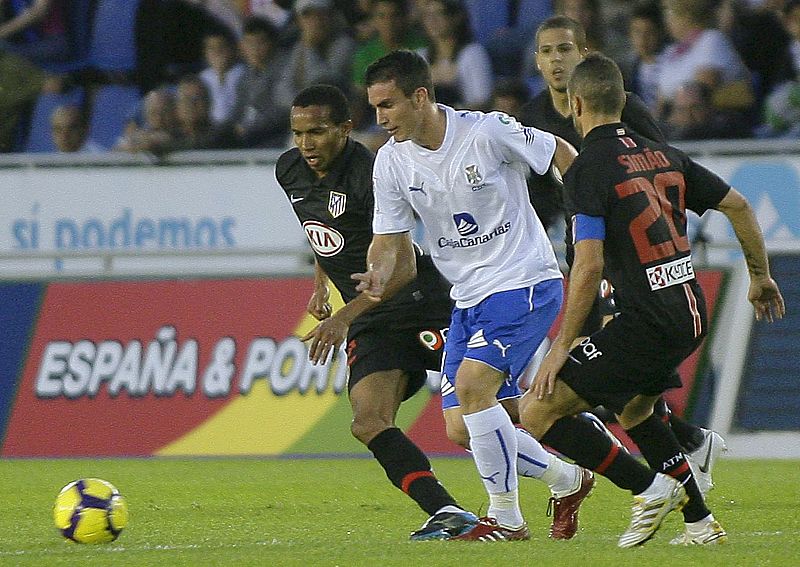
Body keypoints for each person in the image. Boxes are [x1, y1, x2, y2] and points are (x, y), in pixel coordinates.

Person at [278, 83, 591, 542]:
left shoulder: (382, 163)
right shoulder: (302, 169)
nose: (305, 144)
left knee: (489, 400)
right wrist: (322, 284)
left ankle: (569, 454)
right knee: (397, 422)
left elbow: (399, 261)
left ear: (345, 130)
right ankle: (470, 505)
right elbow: (327, 233)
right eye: (297, 133)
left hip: (428, 302)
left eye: (317, 132)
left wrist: (591, 221)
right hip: (395, 306)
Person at [522, 52, 784, 546]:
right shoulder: (663, 154)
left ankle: (651, 487)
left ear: (575, 104)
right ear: (621, 101)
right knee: (636, 410)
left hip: (645, 320)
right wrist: (759, 277)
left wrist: (562, 345)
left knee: (539, 412)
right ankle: (701, 523)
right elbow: (739, 206)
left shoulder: (585, 171)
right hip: (688, 311)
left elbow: (589, 266)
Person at [360, 50, 597, 541]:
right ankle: (567, 479)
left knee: (473, 387)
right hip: (466, 298)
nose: (380, 119)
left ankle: (506, 520)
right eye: (375, 107)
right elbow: (389, 239)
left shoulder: (486, 132)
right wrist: (377, 274)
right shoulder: (390, 162)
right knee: (462, 429)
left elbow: (559, 152)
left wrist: (587, 224)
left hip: (523, 281)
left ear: (420, 97)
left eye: (388, 106)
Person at [519, 15, 725, 495]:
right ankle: (689, 449)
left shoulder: (623, 108)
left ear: (584, 54)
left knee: (598, 378)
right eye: (547, 51)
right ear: (536, 59)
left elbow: (661, 168)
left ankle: (662, 479)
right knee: (613, 385)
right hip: (582, 256)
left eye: (565, 50)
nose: (555, 60)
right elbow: (536, 191)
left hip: (629, 263)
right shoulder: (531, 119)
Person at [274, 0, 355, 109]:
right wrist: (301, 108)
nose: (315, 21)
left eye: (320, 14)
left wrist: (310, 48)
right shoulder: (299, 47)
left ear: (330, 16)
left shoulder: (344, 44)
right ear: (299, 21)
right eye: (308, 16)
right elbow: (281, 91)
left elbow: (323, 82)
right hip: (304, 113)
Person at [418, 0, 493, 109]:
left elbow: (482, 101)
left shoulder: (472, 54)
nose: (432, 20)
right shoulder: (420, 56)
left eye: (439, 13)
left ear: (456, 17)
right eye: (428, 15)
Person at [200, 29, 246, 127]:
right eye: (211, 48)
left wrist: (221, 74)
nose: (217, 52)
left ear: (233, 49)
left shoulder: (244, 73)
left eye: (221, 47)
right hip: (208, 129)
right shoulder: (203, 77)